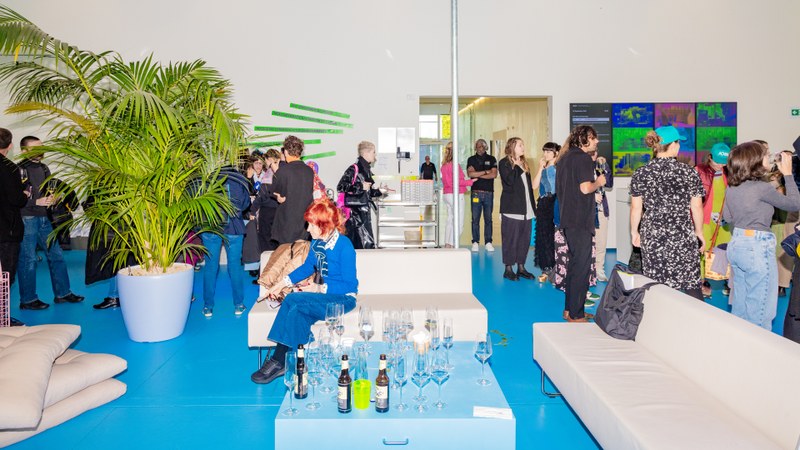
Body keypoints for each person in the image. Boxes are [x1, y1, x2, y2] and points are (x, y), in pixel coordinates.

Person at [251, 199, 358, 384]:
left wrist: (319, 288)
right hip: (324, 298)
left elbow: (351, 286)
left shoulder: (344, 246)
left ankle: (278, 360)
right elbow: (307, 267)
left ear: (324, 226)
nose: (308, 229)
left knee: (293, 300)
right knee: (297, 313)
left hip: (343, 300)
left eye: (311, 225)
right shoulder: (316, 243)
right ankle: (299, 358)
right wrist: (280, 284)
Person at [723, 141, 800, 330]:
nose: (770, 157)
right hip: (757, 247)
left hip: (737, 243)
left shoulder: (731, 187)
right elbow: (794, 204)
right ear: (756, 162)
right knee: (761, 311)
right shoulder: (762, 188)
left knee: (740, 306)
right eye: (766, 155)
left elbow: (728, 217)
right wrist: (788, 174)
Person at [630, 127, 705, 300]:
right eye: (678, 143)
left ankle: (658, 314)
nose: (679, 146)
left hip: (653, 234)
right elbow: (697, 207)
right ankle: (697, 316)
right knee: (691, 281)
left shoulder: (641, 173)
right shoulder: (689, 172)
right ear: (672, 145)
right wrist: (699, 232)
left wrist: (635, 232)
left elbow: (636, 208)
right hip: (682, 233)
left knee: (655, 283)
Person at [17, 136, 83, 310]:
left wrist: (55, 198)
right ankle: (28, 300)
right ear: (24, 151)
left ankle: (63, 293)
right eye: (35, 148)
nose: (40, 151)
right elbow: (15, 198)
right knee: (28, 260)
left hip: (45, 218)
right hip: (27, 219)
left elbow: (48, 190)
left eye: (41, 147)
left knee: (57, 255)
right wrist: (35, 202)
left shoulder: (44, 168)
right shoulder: (19, 170)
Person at [555, 126, 606, 322]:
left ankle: (570, 310)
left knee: (574, 266)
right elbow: (585, 188)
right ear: (583, 139)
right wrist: (598, 182)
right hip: (580, 220)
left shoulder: (565, 158)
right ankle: (576, 315)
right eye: (593, 138)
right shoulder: (583, 159)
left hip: (568, 219)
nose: (596, 141)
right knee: (581, 268)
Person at [200, 166, 251, 317]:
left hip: (211, 228)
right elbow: (245, 204)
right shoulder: (239, 179)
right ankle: (239, 305)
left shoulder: (207, 178)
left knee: (210, 267)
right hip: (234, 228)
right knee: (235, 267)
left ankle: (208, 307)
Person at [695, 143, 731, 297]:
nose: (720, 166)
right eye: (717, 162)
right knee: (703, 249)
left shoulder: (730, 171)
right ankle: (703, 282)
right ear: (710, 157)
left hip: (725, 218)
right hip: (704, 217)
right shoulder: (699, 170)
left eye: (724, 163)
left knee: (725, 249)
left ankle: (727, 280)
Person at [498, 137, 536, 281]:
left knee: (524, 240)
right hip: (511, 210)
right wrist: (517, 167)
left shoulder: (524, 163)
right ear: (512, 147)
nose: (523, 147)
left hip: (526, 209)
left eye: (523, 144)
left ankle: (521, 267)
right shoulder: (504, 163)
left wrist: (533, 206)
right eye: (520, 145)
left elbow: (529, 188)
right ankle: (508, 269)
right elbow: (509, 182)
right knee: (510, 240)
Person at [336, 141, 384, 249]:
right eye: (373, 152)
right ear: (366, 153)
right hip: (354, 216)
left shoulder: (366, 170)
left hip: (363, 215)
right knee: (360, 245)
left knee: (364, 245)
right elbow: (341, 186)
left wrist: (380, 191)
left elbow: (368, 193)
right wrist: (360, 186)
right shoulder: (354, 168)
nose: (375, 155)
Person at [271, 136, 314, 245]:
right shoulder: (309, 171)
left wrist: (276, 173)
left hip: (287, 222)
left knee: (286, 253)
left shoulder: (283, 171)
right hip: (304, 221)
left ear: (285, 152)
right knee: (301, 252)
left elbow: (274, 192)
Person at [0, 128, 28, 290]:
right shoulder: (9, 168)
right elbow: (16, 200)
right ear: (10, 146)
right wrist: (24, 194)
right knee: (5, 275)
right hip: (6, 230)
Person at [532, 142, 559, 283]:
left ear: (556, 153)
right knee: (543, 236)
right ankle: (546, 267)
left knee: (552, 235)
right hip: (543, 203)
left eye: (549, 152)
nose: (545, 154)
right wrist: (540, 168)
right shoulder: (544, 168)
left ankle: (555, 267)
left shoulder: (558, 168)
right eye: (544, 151)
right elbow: (534, 186)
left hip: (553, 202)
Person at [441, 142, 474, 248]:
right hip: (456, 195)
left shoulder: (444, 166)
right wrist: (470, 182)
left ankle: (447, 243)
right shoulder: (455, 165)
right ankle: (452, 244)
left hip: (447, 195)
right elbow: (456, 182)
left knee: (450, 220)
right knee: (459, 222)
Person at [467, 139, 498, 252]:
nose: (479, 148)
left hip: (488, 193)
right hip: (476, 192)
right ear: (475, 147)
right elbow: (470, 174)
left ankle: (488, 242)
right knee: (475, 218)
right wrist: (485, 172)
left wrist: (478, 174)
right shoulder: (471, 159)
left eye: (481, 146)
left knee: (488, 219)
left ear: (485, 147)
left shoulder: (492, 159)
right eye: (478, 146)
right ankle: (475, 242)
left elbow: (494, 174)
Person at [252, 149, 281, 253]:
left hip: (267, 210)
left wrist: (253, 210)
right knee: (277, 239)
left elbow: (262, 194)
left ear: (269, 159)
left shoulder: (269, 174)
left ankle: (267, 261)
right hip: (279, 210)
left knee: (265, 239)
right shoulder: (283, 171)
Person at [592, 153, 613, 281]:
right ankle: (588, 270)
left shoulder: (599, 165)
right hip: (586, 210)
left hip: (601, 209)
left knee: (601, 241)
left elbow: (609, 184)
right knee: (587, 243)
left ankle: (599, 268)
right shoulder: (581, 166)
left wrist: (605, 166)